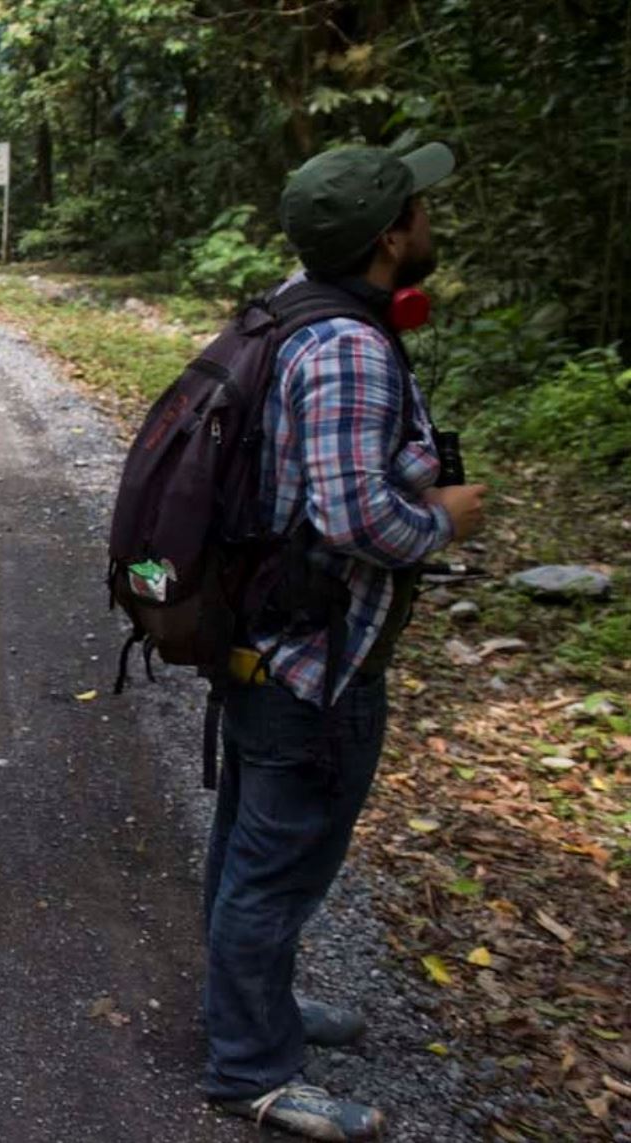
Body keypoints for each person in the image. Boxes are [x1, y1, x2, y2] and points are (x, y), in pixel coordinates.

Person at [202, 142, 488, 1139]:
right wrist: (451, 516)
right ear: (386, 238)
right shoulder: (350, 350)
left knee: (252, 846)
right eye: (417, 209)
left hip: (265, 635)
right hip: (311, 661)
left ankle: (252, 1008)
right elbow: (352, 520)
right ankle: (249, 1067)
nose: (428, 222)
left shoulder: (293, 306)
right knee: (277, 867)